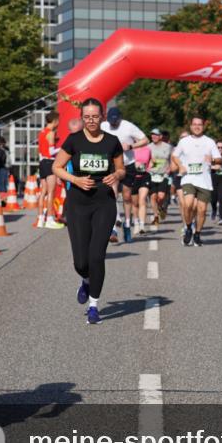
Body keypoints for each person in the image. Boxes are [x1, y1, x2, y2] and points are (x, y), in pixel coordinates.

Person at [52, 98, 126, 325]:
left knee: (97, 256)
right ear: (82, 118)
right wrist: (75, 179)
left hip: (104, 202)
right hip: (77, 203)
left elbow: (122, 168)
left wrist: (116, 175)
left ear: (102, 117)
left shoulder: (112, 141)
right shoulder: (74, 140)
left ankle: (94, 306)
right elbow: (57, 167)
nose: (91, 120)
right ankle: (85, 280)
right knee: (81, 262)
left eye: (95, 116)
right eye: (87, 117)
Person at [171, 116, 221, 247]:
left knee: (202, 210)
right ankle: (188, 227)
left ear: (203, 126)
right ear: (191, 126)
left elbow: (219, 159)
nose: (197, 126)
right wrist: (180, 166)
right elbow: (174, 155)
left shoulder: (209, 142)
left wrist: (213, 159)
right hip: (188, 178)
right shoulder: (184, 141)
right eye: (195, 124)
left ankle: (197, 233)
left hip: (204, 180)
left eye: (200, 124)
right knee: (187, 205)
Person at [101, 106, 148, 243]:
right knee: (112, 194)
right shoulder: (103, 125)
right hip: (111, 165)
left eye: (115, 121)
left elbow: (145, 140)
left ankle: (127, 224)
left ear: (120, 119)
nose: (113, 124)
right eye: (111, 121)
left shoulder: (128, 126)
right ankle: (114, 226)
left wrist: (131, 146)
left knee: (127, 196)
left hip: (128, 164)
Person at [36, 111, 62, 229]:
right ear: (55, 121)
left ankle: (41, 219)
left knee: (43, 191)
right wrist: (61, 148)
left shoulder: (41, 132)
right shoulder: (51, 133)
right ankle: (50, 219)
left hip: (42, 162)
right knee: (51, 191)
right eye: (58, 121)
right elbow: (51, 152)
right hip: (49, 162)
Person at [147, 128, 174, 224]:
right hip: (152, 174)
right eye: (152, 135)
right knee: (153, 196)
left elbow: (173, 160)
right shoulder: (148, 147)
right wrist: (148, 167)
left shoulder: (168, 147)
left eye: (156, 135)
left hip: (164, 175)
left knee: (161, 197)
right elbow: (145, 160)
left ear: (160, 137)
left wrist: (170, 168)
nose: (153, 136)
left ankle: (160, 207)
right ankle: (155, 216)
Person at [130, 142, 153, 234]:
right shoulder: (130, 150)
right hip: (133, 177)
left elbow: (151, 160)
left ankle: (142, 225)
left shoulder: (147, 149)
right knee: (135, 203)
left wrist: (150, 166)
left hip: (145, 176)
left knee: (142, 200)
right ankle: (136, 223)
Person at [210, 140, 222, 226]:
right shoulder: (211, 156)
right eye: (218, 147)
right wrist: (213, 167)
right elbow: (205, 165)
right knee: (213, 198)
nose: (220, 149)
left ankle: (221, 218)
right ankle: (214, 210)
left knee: (221, 197)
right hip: (213, 177)